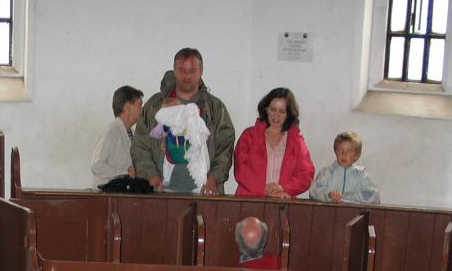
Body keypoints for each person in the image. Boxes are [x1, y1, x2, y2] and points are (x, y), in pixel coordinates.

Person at [132, 48, 235, 195]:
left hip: (204, 191)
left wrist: (214, 178)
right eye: (182, 70)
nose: (187, 75)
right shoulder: (155, 106)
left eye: (192, 70)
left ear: (201, 71)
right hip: (161, 192)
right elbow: (140, 145)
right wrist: (150, 175)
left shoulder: (215, 108)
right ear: (174, 71)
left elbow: (225, 148)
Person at [233, 87, 315, 199]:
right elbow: (241, 171)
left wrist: (284, 188)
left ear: (288, 114)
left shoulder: (296, 141)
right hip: (250, 201)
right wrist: (267, 193)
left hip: (283, 204)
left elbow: (306, 175)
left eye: (282, 111)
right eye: (273, 109)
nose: (276, 115)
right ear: (266, 109)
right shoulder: (249, 136)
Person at [91, 85, 144, 187]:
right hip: (107, 197)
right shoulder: (111, 131)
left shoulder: (131, 133)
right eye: (140, 104)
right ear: (127, 107)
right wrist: (123, 173)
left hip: (121, 193)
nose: (142, 109)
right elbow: (96, 165)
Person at [308, 131, 380, 203]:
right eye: (340, 150)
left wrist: (344, 197)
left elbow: (373, 194)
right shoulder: (326, 172)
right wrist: (329, 196)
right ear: (335, 152)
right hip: (329, 212)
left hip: (353, 212)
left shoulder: (360, 175)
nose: (344, 154)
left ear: (356, 155)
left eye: (349, 151)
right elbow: (314, 191)